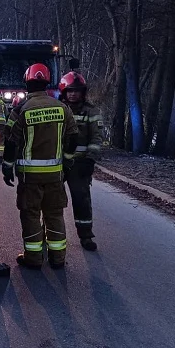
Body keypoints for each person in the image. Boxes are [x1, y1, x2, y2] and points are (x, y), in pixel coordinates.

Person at [2, 64, 79, 269]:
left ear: (27, 83)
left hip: (30, 178)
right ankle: (58, 258)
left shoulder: (21, 110)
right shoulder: (63, 108)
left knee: (31, 214)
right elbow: (73, 138)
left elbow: (10, 142)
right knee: (55, 215)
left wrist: (7, 167)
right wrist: (68, 162)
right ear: (46, 83)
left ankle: (34, 259)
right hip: (55, 175)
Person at [58, 71, 104, 251]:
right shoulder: (58, 109)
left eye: (77, 91)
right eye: (70, 90)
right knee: (52, 201)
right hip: (59, 164)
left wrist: (90, 161)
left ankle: (86, 236)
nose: (73, 94)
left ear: (83, 92)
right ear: (64, 91)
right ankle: (49, 234)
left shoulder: (91, 111)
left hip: (79, 165)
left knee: (81, 200)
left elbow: (96, 138)